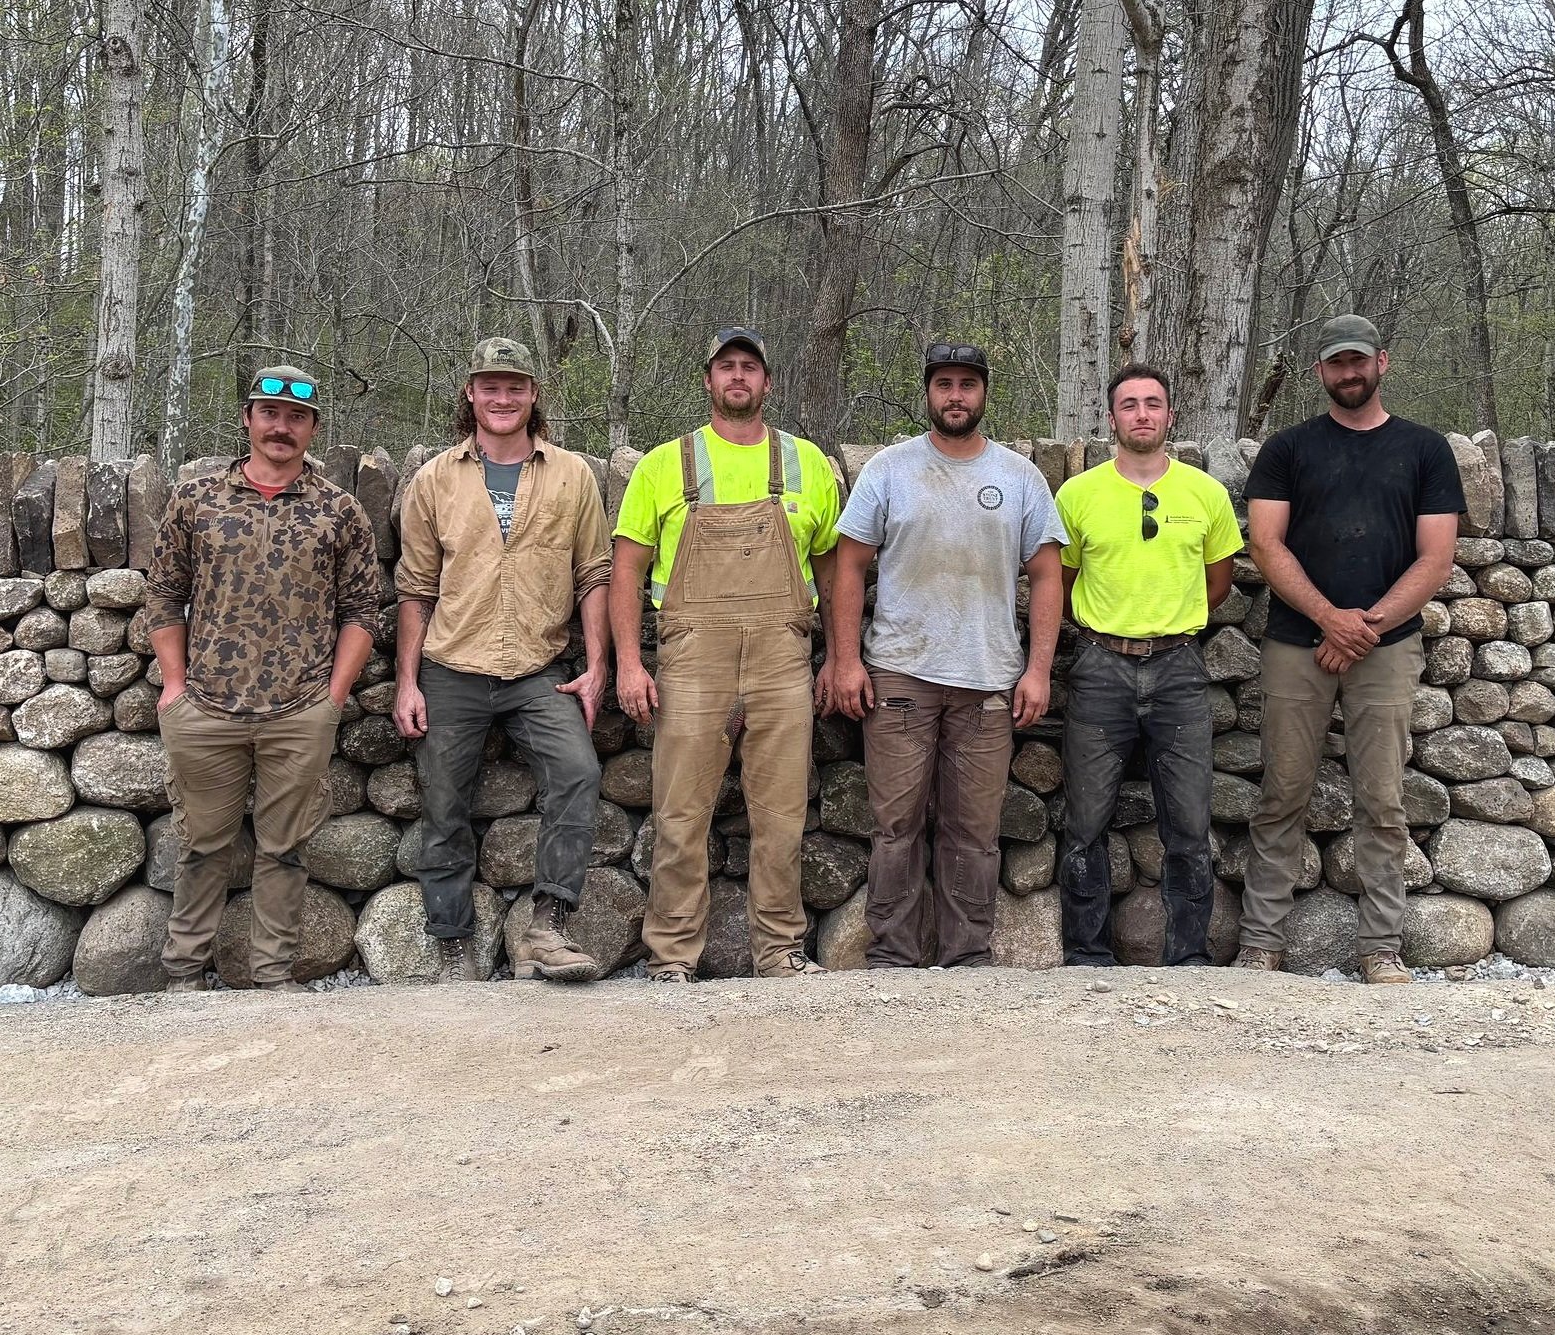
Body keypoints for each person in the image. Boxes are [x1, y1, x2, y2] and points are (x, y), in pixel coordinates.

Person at [611, 329, 846, 981]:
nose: (737, 376)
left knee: (782, 812)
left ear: (767, 381)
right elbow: (626, 570)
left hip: (782, 654)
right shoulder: (664, 464)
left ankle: (780, 951)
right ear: (708, 380)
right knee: (680, 812)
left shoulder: (806, 463)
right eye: (726, 367)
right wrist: (630, 662)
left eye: (749, 366)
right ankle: (670, 956)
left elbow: (833, 571)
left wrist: (841, 657)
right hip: (692, 655)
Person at [820, 340, 1063, 968]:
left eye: (967, 385)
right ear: (928, 392)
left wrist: (1037, 670)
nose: (956, 396)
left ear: (984, 393)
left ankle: (967, 957)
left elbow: (1045, 575)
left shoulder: (1019, 477)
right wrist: (846, 661)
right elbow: (850, 566)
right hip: (900, 676)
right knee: (896, 826)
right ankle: (893, 957)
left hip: (988, 680)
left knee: (973, 831)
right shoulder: (890, 470)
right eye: (944, 384)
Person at [149, 365, 390, 993]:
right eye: (269, 413)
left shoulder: (338, 510)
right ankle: (182, 974)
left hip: (300, 709)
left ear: (313, 427)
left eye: (296, 418)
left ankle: (272, 978)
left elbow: (363, 609)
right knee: (202, 845)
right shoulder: (197, 500)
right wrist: (174, 688)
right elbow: (165, 594)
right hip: (206, 707)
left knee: (284, 850)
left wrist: (332, 699)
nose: (281, 428)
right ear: (248, 419)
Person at [1237, 316, 1462, 984]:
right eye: (1337, 363)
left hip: (1386, 646)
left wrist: (1364, 627)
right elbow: (1265, 544)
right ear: (1320, 372)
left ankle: (1380, 947)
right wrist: (1328, 619)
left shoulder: (1424, 450)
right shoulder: (1288, 449)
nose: (1349, 373)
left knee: (1382, 798)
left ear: (1381, 362)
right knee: (1282, 792)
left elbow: (1436, 558)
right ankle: (1260, 943)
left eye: (1358, 360)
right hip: (1295, 642)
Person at [395, 338, 612, 983]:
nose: (502, 398)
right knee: (443, 801)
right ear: (470, 394)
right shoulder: (436, 479)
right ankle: (453, 943)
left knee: (577, 772)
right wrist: (406, 682)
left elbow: (593, 574)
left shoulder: (572, 475)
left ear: (533, 394)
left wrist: (597, 666)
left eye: (515, 386)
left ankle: (548, 926)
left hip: (538, 670)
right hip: (451, 668)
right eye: (490, 386)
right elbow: (415, 589)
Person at [1052, 364, 1242, 966]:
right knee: (1086, 818)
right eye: (1129, 404)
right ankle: (1087, 954)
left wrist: (1169, 621)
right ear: (1111, 418)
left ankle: (1187, 956)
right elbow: (1061, 581)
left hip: (1179, 667)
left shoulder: (1204, 493)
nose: (1142, 414)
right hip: (1100, 666)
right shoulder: (1078, 495)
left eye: (1152, 404)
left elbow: (1218, 582)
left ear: (1170, 416)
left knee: (1188, 819)